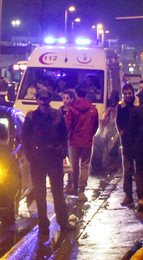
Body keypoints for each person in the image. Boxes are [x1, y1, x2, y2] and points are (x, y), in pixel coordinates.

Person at [21, 87, 72, 235]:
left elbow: (64, 135)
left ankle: (63, 222)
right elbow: (25, 138)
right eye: (41, 99)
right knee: (39, 193)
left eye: (46, 99)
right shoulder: (31, 117)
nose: (44, 102)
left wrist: (63, 152)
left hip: (54, 158)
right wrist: (29, 156)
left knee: (57, 192)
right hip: (38, 160)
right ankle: (43, 224)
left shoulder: (57, 115)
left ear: (49, 100)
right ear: (37, 100)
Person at [64, 86, 99, 200]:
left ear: (76, 94)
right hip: (87, 142)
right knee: (85, 165)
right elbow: (95, 126)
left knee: (74, 166)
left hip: (74, 142)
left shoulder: (72, 109)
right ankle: (81, 190)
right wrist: (90, 135)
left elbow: (67, 126)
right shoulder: (93, 109)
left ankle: (74, 187)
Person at [116, 83, 140, 205]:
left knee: (140, 171)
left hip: (138, 141)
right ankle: (128, 195)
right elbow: (118, 121)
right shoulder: (121, 106)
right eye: (125, 94)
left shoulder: (138, 105)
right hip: (127, 143)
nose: (127, 96)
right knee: (128, 170)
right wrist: (121, 131)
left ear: (133, 93)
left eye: (129, 93)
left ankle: (141, 196)